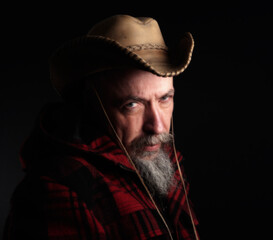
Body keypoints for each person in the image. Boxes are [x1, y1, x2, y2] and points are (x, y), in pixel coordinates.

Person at [4, 14, 199, 240]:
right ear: (92, 104)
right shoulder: (58, 190)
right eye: (132, 105)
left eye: (165, 99)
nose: (157, 127)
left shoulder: (164, 165)